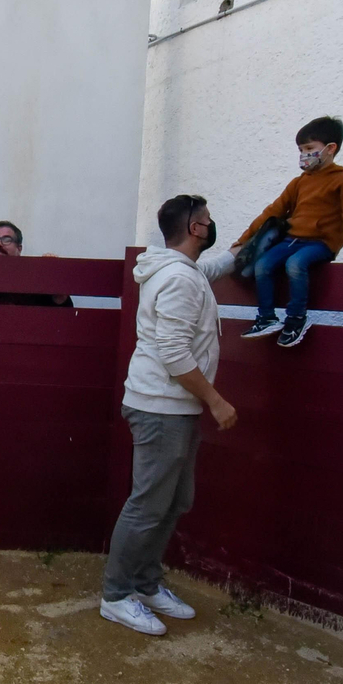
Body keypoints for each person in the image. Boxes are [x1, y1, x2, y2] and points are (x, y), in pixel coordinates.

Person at [101, 195, 238, 637]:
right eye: (208, 221)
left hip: (171, 405)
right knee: (147, 505)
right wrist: (216, 400)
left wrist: (244, 248)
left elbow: (209, 270)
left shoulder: (183, 270)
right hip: (162, 406)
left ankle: (145, 583)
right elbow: (174, 353)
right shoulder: (179, 279)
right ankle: (117, 595)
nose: (211, 225)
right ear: (196, 229)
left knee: (174, 501)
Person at [232, 116, 343, 348]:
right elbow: (272, 211)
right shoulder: (299, 182)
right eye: (301, 149)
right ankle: (266, 318)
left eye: (309, 148)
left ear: (330, 149)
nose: (303, 154)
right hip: (291, 240)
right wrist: (243, 240)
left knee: (295, 265)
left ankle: (296, 319)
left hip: (320, 244)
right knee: (263, 265)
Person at [0, 221, 72, 307]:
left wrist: (56, 277)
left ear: (19, 249)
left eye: (6, 240)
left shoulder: (34, 278)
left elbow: (61, 311)